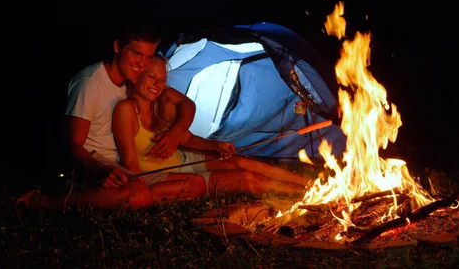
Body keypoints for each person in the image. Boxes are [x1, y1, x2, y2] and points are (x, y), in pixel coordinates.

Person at [18, 25, 195, 210]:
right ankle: (48, 201)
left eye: (148, 57)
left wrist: (177, 132)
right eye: (136, 54)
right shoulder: (90, 83)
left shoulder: (132, 79)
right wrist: (99, 170)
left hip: (122, 164)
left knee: (192, 182)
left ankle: (134, 199)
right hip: (93, 164)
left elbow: (186, 103)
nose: (142, 64)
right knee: (139, 194)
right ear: (118, 47)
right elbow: (73, 145)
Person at [112, 54, 312, 204]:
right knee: (248, 179)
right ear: (136, 76)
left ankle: (309, 183)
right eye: (151, 77)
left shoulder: (161, 100)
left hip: (181, 160)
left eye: (162, 80)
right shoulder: (126, 110)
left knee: (240, 161)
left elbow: (187, 138)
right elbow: (130, 164)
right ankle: (307, 195)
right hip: (162, 173)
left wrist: (214, 144)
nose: (158, 85)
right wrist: (142, 192)